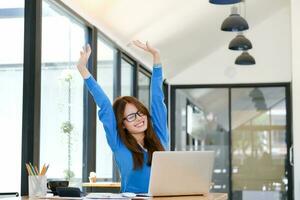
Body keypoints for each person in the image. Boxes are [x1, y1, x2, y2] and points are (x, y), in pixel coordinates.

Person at [76, 40, 169, 193]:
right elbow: (105, 105)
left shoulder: (160, 136)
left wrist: (156, 56)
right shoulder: (117, 142)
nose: (139, 118)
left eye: (140, 112)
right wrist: (82, 69)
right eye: (131, 116)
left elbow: (158, 99)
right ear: (123, 124)